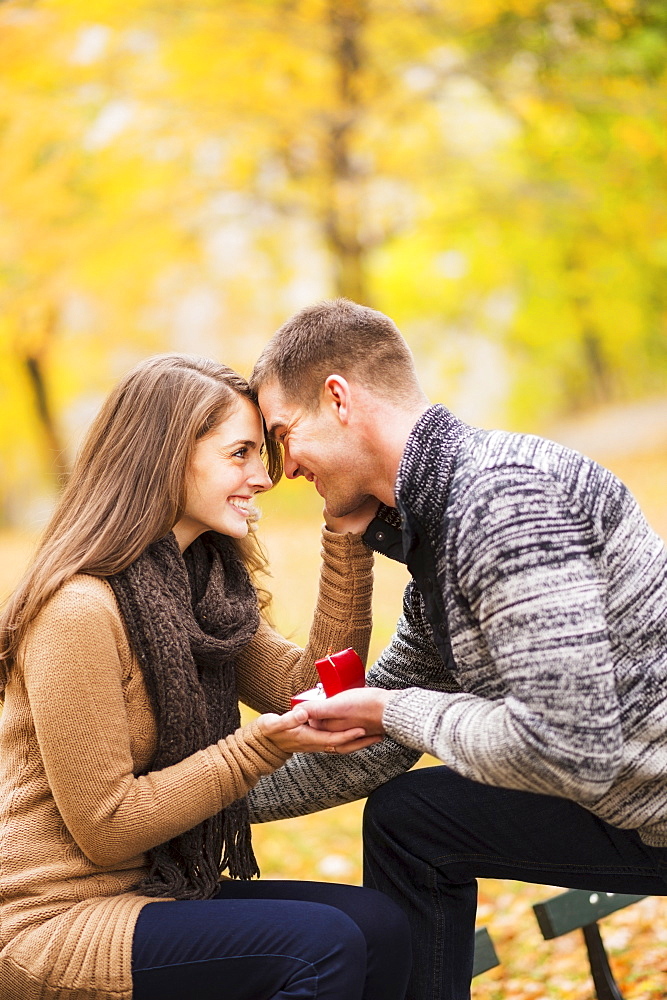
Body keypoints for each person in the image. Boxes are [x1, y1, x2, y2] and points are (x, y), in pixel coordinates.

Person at [248, 298, 667, 1000]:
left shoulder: (501, 500)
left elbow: (570, 748)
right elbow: (372, 739)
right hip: (629, 801)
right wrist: (195, 803)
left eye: (285, 434)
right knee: (410, 821)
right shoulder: (439, 541)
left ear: (338, 398)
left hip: (644, 800)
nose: (284, 467)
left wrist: (395, 709)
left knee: (412, 819)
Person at [0, 353, 413, 1000]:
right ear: (165, 457)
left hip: (151, 891)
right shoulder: (77, 610)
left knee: (383, 926)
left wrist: (345, 539)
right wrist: (262, 747)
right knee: (320, 947)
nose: (263, 477)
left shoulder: (200, 592)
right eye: (240, 454)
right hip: (52, 922)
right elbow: (106, 828)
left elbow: (309, 687)